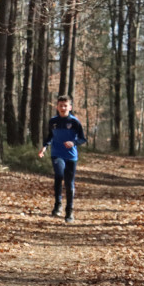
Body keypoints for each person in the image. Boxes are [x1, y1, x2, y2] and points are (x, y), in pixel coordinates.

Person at [37, 94, 87, 223]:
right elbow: (50, 136)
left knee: (69, 183)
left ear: (70, 107)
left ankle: (69, 212)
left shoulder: (75, 122)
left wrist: (73, 143)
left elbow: (82, 139)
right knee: (59, 175)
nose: (63, 107)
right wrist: (44, 147)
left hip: (71, 156)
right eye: (61, 105)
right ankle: (57, 204)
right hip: (57, 154)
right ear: (57, 107)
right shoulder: (53, 121)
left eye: (65, 105)